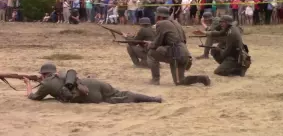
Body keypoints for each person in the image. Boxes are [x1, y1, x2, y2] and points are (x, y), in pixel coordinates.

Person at [23, 63, 162, 103]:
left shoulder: (46, 84)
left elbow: (33, 97)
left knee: (121, 99)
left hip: (87, 95)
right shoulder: (63, 73)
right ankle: (154, 99)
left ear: (43, 75)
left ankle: (152, 100)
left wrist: (28, 84)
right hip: (91, 83)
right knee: (122, 93)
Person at [145, 6, 211, 86]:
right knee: (180, 81)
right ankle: (201, 78)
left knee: (151, 53)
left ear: (160, 16)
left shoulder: (160, 23)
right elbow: (182, 40)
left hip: (175, 54)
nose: (155, 17)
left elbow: (157, 44)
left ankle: (155, 80)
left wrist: (149, 45)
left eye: (156, 15)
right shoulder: (176, 23)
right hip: (184, 53)